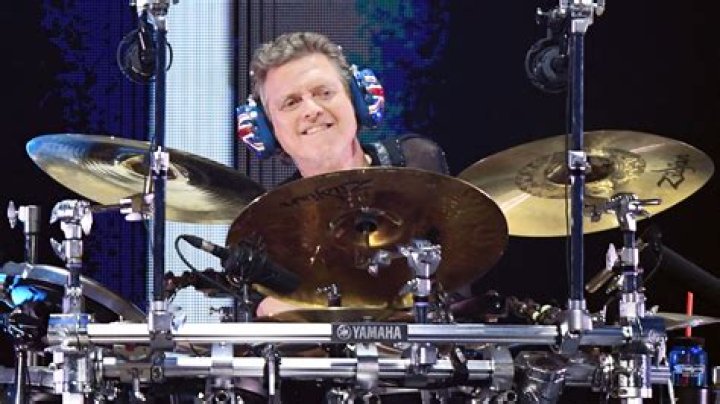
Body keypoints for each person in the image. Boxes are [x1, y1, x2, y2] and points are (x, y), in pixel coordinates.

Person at [242, 31, 451, 318]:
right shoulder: (271, 221)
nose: (312, 110)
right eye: (291, 102)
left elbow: (456, 282)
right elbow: (267, 309)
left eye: (324, 93)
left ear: (358, 99)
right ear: (265, 131)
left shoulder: (415, 163)